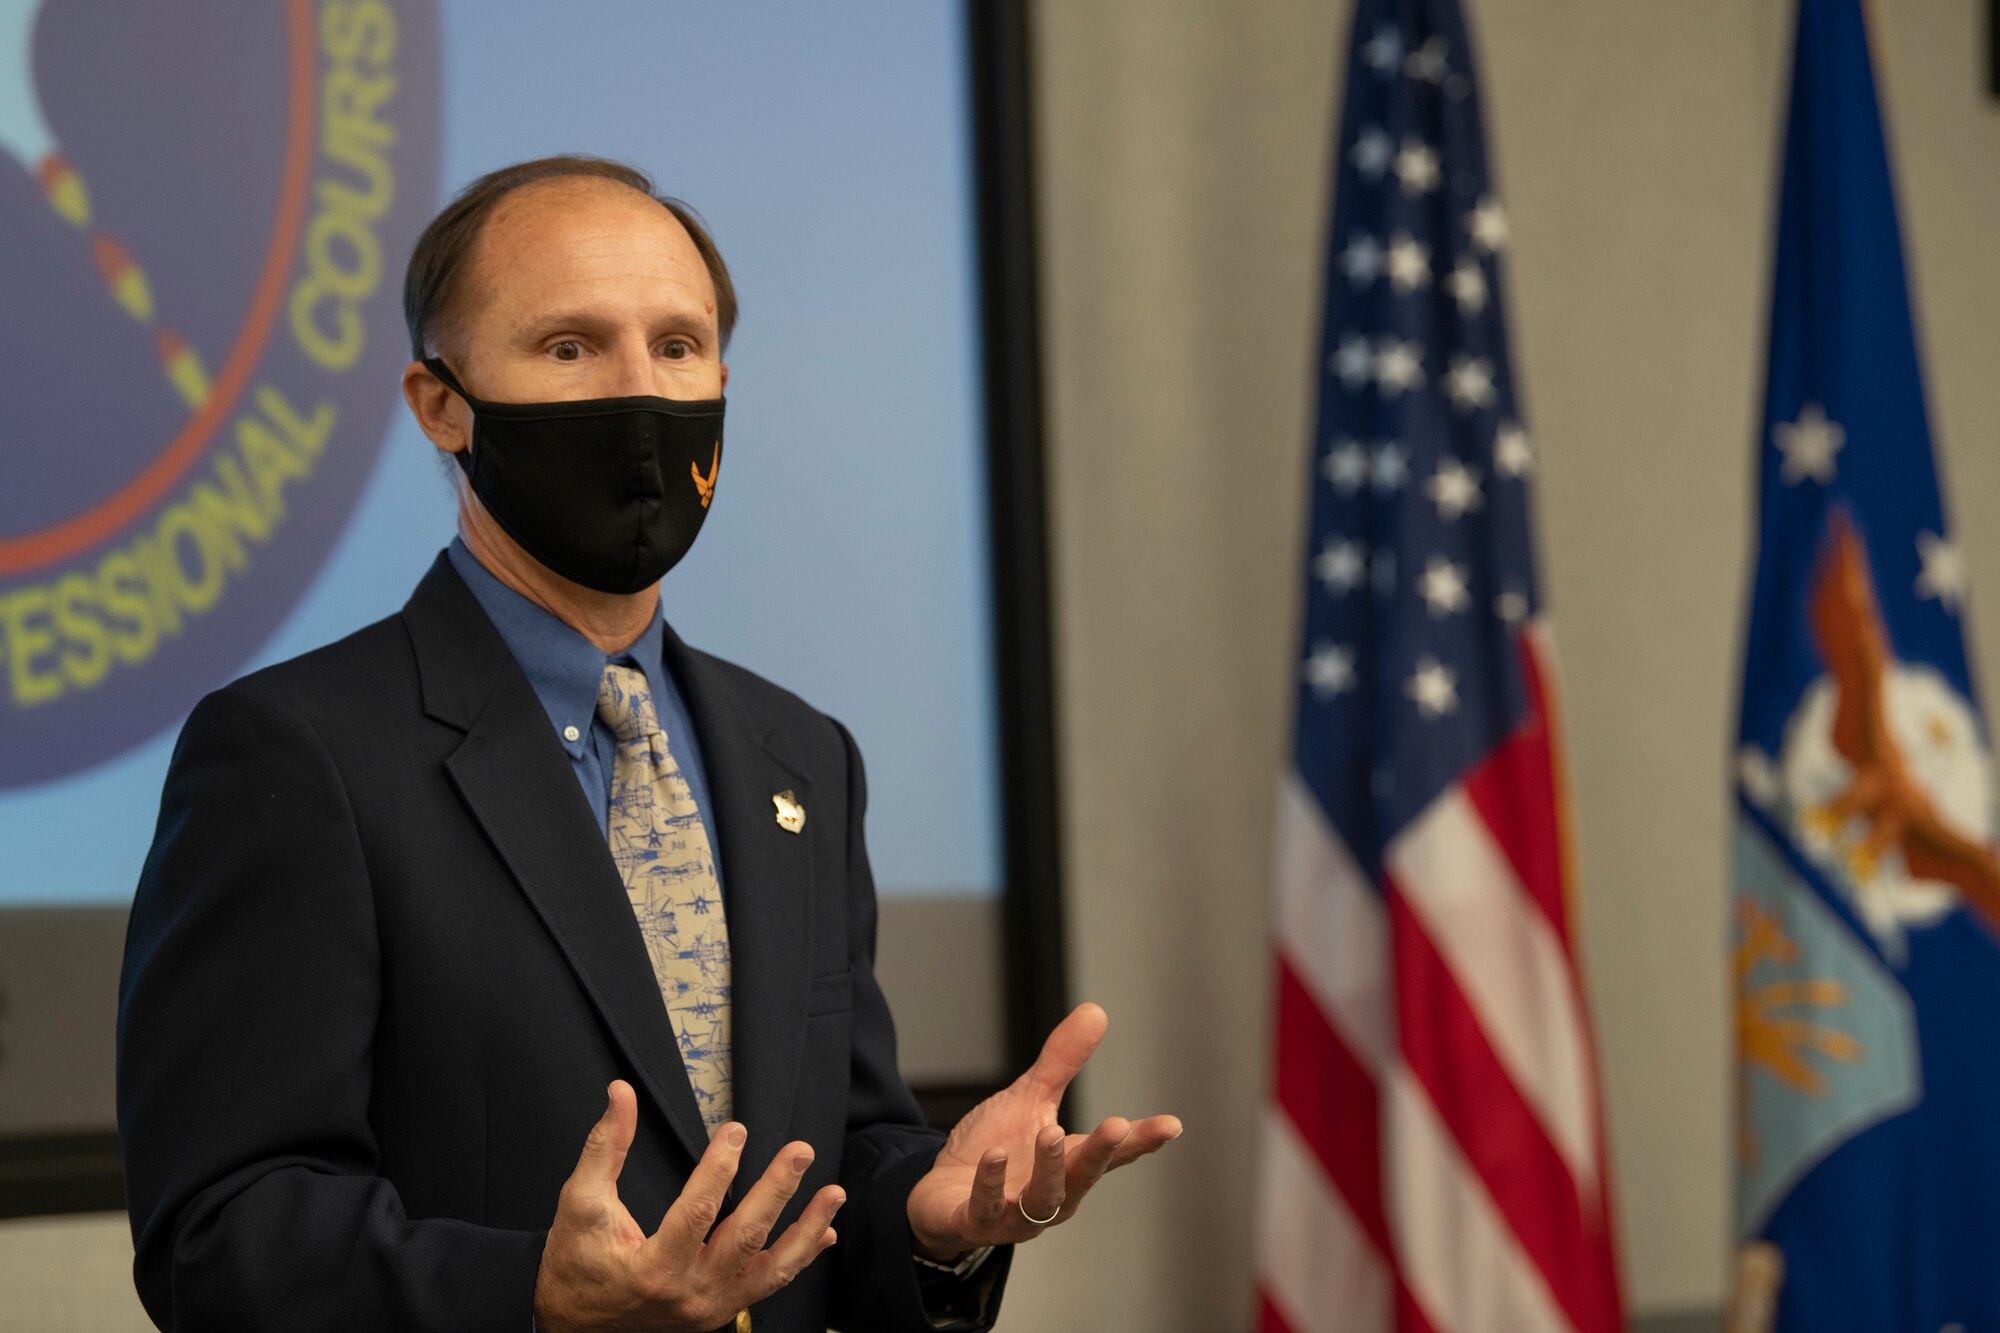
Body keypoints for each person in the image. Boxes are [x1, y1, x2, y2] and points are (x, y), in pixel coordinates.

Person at [115, 156, 1180, 1333]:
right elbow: (218, 1236)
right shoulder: (293, 755)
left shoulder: (801, 756)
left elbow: (840, 1156)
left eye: (676, 347)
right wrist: (531, 1293)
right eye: (568, 348)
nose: (639, 396)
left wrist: (930, 1217)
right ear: (440, 404)